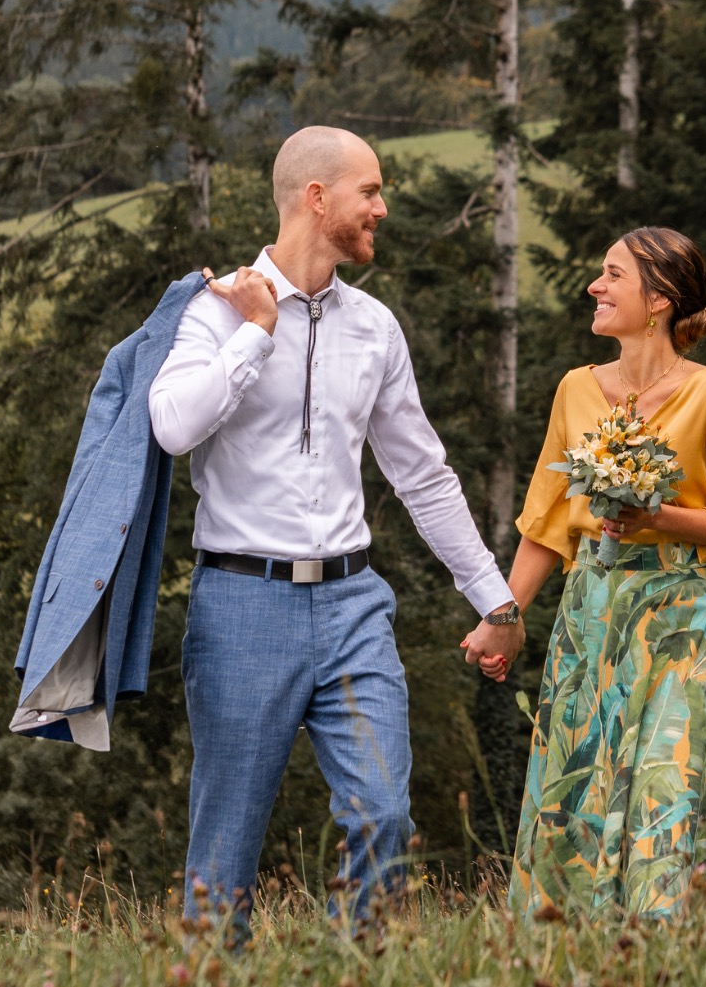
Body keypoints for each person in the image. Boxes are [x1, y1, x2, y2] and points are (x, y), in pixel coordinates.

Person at [149, 126, 525, 936]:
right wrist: (255, 330)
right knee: (227, 849)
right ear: (317, 198)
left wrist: (495, 600)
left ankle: (353, 964)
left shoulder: (376, 328)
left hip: (355, 604)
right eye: (370, 191)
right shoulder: (214, 311)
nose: (382, 208)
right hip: (242, 605)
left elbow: (422, 474)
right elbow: (172, 426)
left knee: (385, 814)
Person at [462, 226, 706, 917]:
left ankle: (662, 944)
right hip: (591, 613)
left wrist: (655, 517)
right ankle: (565, 943)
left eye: (611, 275)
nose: (593, 287)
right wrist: (504, 616)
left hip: (679, 620)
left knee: (670, 782)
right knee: (577, 790)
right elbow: (545, 522)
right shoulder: (576, 390)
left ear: (659, 298)